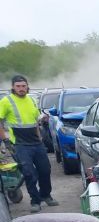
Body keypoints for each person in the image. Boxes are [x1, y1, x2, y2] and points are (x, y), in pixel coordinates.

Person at [0, 75, 58, 212]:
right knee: (29, 173)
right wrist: (5, 140)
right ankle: (35, 201)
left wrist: (40, 138)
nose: (21, 89)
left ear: (27, 86)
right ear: (13, 87)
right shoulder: (6, 101)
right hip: (20, 145)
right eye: (18, 86)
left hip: (36, 143)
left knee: (45, 170)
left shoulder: (31, 99)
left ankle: (46, 195)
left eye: (23, 86)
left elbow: (34, 122)